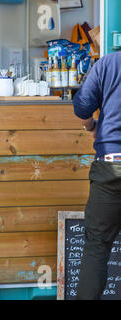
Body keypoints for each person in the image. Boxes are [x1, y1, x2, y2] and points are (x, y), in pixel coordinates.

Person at [73, 51, 121, 300]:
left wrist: (91, 126)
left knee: (97, 249)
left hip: (110, 166)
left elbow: (82, 106)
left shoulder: (108, 64)